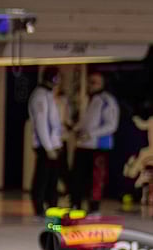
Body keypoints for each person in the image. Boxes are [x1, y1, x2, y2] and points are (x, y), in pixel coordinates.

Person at [72, 71, 120, 214]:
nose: (91, 85)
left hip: (99, 146)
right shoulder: (87, 99)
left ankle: (94, 207)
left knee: (96, 179)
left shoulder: (108, 101)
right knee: (78, 177)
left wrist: (91, 134)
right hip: (82, 145)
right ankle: (76, 204)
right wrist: (75, 129)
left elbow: (111, 125)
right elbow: (85, 120)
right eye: (90, 82)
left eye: (95, 82)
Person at [27, 68, 64, 218]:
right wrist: (48, 147)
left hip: (54, 144)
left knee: (52, 178)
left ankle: (51, 205)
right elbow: (41, 123)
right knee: (42, 178)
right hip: (45, 145)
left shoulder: (49, 95)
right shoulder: (40, 96)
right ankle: (39, 207)